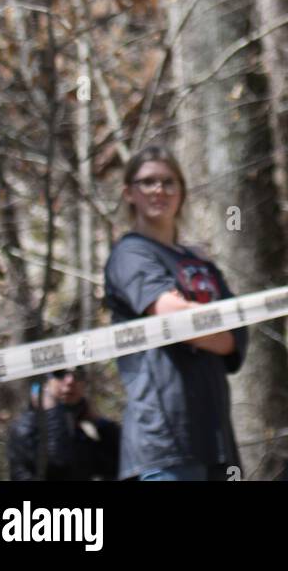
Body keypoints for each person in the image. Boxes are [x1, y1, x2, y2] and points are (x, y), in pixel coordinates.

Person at [103, 144, 248, 481]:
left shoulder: (200, 262)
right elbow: (173, 318)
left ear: (181, 192)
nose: (159, 190)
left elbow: (236, 337)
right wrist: (205, 325)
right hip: (164, 439)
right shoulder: (130, 253)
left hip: (216, 438)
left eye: (169, 182)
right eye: (148, 182)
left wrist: (202, 328)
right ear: (129, 193)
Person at [7, 368, 119, 481]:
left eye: (78, 374)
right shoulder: (26, 427)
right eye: (59, 373)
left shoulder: (86, 425)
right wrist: (51, 412)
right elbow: (57, 466)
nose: (70, 381)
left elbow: (118, 464)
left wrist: (101, 424)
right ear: (45, 383)